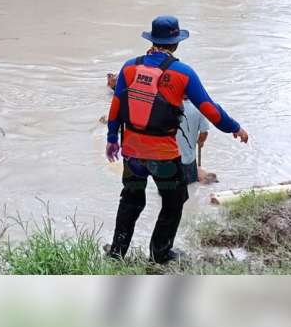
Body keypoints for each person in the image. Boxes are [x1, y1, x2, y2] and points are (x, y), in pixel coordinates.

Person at [105, 15, 249, 264]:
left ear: (152, 39)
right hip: (163, 156)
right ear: (176, 43)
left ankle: (117, 253)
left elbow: (116, 107)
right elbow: (210, 109)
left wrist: (111, 139)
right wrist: (234, 128)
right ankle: (159, 253)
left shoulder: (128, 68)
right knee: (174, 201)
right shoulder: (183, 73)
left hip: (132, 152)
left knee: (131, 198)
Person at [177, 97, 217, 185]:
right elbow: (204, 133)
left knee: (167, 190)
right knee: (191, 188)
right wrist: (200, 141)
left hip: (168, 159)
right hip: (188, 161)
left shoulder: (168, 105)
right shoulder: (198, 108)